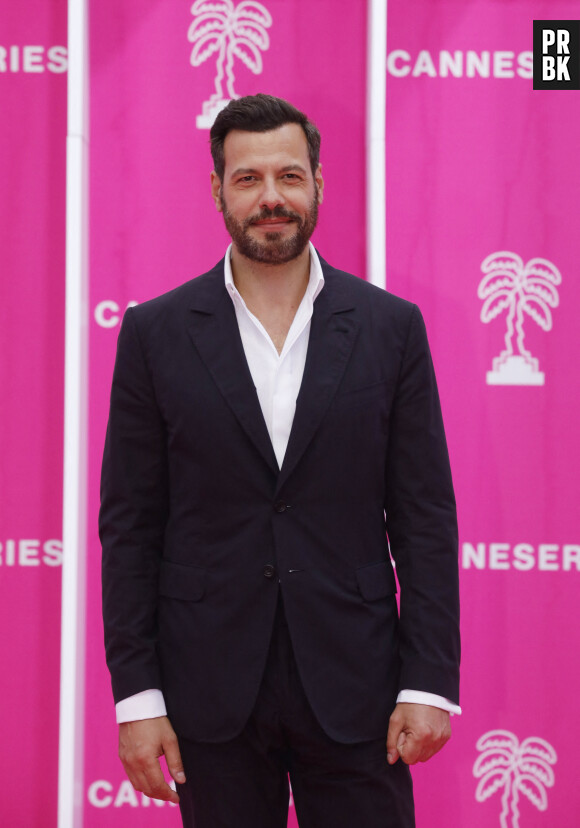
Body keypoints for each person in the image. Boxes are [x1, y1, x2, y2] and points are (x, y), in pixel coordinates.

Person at [100, 93, 460, 828]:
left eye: (290, 177)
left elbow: (424, 517)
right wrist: (138, 698)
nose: (272, 198)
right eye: (248, 179)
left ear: (319, 184)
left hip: (358, 684)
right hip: (208, 686)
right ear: (217, 189)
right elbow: (131, 526)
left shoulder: (391, 329)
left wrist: (429, 682)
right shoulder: (154, 333)